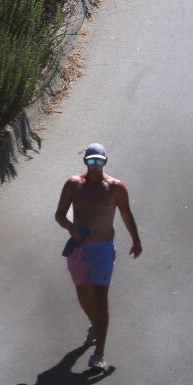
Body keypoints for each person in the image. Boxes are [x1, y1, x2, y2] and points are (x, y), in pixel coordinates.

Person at [54, 143, 143, 369]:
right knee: (83, 296)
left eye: (99, 161)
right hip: (78, 249)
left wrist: (136, 240)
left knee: (100, 299)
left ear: (105, 162)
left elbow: (125, 214)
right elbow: (60, 215)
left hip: (102, 250)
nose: (95, 165)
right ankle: (96, 326)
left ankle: (99, 353)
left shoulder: (115, 188)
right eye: (91, 161)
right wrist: (72, 229)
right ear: (85, 161)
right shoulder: (73, 185)